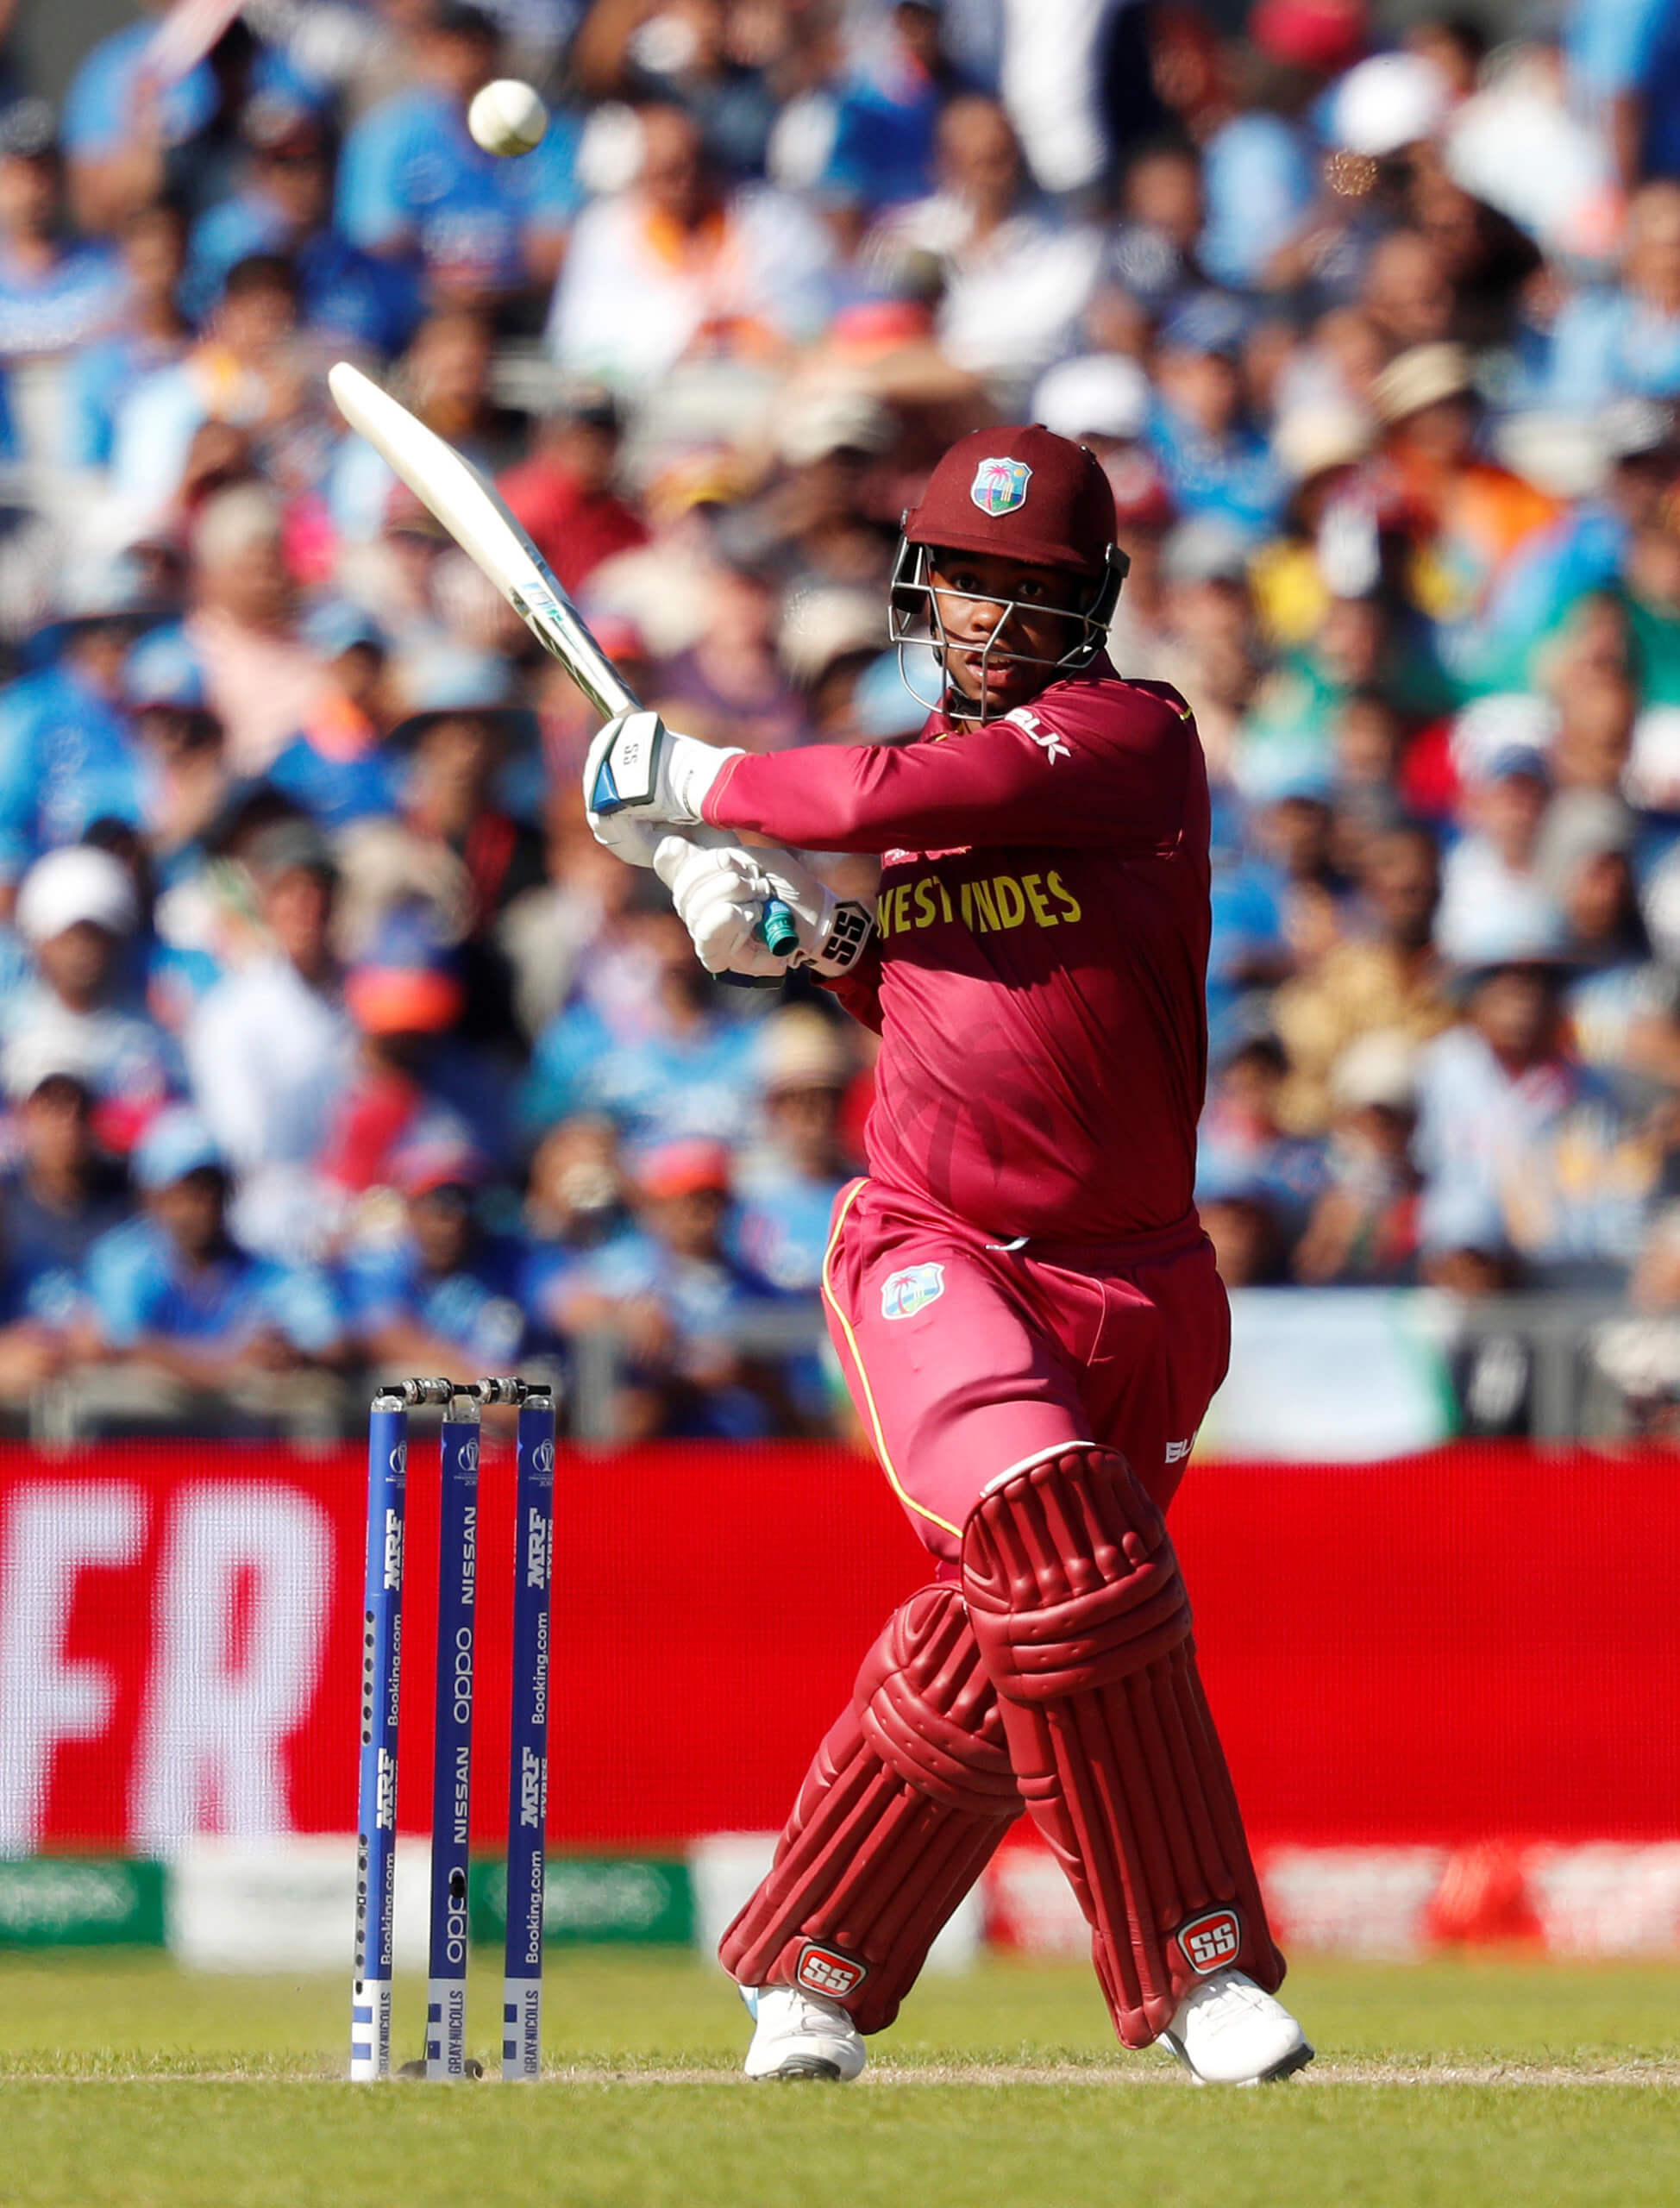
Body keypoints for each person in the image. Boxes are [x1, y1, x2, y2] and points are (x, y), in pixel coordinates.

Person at [582, 424, 1313, 2084]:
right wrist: (797, 933)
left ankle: (811, 1970)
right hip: (935, 1242)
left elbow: (891, 798)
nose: (989, 614)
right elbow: (924, 991)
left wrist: (698, 782)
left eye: (1025, 584)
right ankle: (1200, 1967)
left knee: (1005, 1644)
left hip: (1142, 1283)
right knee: (1055, 1539)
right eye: (967, 578)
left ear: (1090, 600)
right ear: (924, 583)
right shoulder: (928, 789)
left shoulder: (1131, 737)